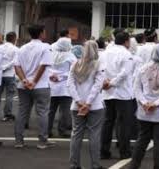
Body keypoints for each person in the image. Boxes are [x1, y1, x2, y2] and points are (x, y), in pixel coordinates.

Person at [130, 44, 159, 169]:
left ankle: (133, 166)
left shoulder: (143, 68)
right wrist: (155, 104)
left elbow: (136, 88)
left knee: (141, 141)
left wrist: (145, 102)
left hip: (144, 112)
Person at [14, 24, 55, 149]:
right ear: (41, 33)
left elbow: (17, 66)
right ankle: (42, 141)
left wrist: (25, 80)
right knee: (42, 112)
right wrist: (34, 81)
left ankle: (19, 141)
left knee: (22, 112)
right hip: (41, 85)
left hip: (23, 85)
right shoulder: (45, 48)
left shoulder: (22, 48)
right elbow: (43, 66)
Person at [99, 29, 137, 160]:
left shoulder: (105, 53)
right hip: (122, 93)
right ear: (126, 41)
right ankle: (124, 151)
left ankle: (104, 151)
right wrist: (112, 83)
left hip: (108, 92)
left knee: (108, 122)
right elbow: (125, 73)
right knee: (123, 124)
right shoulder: (126, 54)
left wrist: (105, 82)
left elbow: (101, 69)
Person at [68, 41, 106, 169]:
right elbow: (97, 85)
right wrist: (88, 103)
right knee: (94, 135)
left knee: (76, 135)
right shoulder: (98, 65)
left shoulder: (75, 64)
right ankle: (95, 165)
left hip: (76, 106)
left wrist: (79, 101)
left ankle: (74, 164)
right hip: (94, 106)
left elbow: (70, 85)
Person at [48, 37, 77, 138]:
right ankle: (62, 130)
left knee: (51, 110)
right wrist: (60, 77)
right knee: (65, 110)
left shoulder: (51, 55)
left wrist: (52, 76)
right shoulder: (71, 56)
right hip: (65, 86)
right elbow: (73, 72)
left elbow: (46, 69)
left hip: (52, 85)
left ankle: (47, 130)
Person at [0, 32, 19, 121]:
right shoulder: (15, 49)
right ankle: (7, 114)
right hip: (10, 74)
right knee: (9, 95)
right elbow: (14, 62)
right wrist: (5, 67)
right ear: (14, 39)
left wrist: (1, 68)